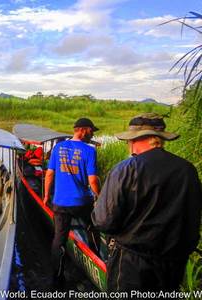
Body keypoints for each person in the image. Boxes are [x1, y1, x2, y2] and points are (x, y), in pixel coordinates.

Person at [92, 113, 202, 292]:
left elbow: (103, 222)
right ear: (160, 139)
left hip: (132, 265)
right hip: (173, 265)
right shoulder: (187, 170)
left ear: (135, 140)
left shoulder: (125, 169)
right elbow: (193, 220)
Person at [43, 117, 100, 287]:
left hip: (60, 202)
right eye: (91, 130)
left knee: (58, 240)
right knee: (93, 227)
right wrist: (100, 196)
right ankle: (96, 258)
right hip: (82, 202)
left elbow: (49, 174)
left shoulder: (58, 148)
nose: (92, 134)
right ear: (82, 130)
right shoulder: (90, 151)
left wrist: (46, 195)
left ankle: (57, 279)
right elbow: (93, 180)